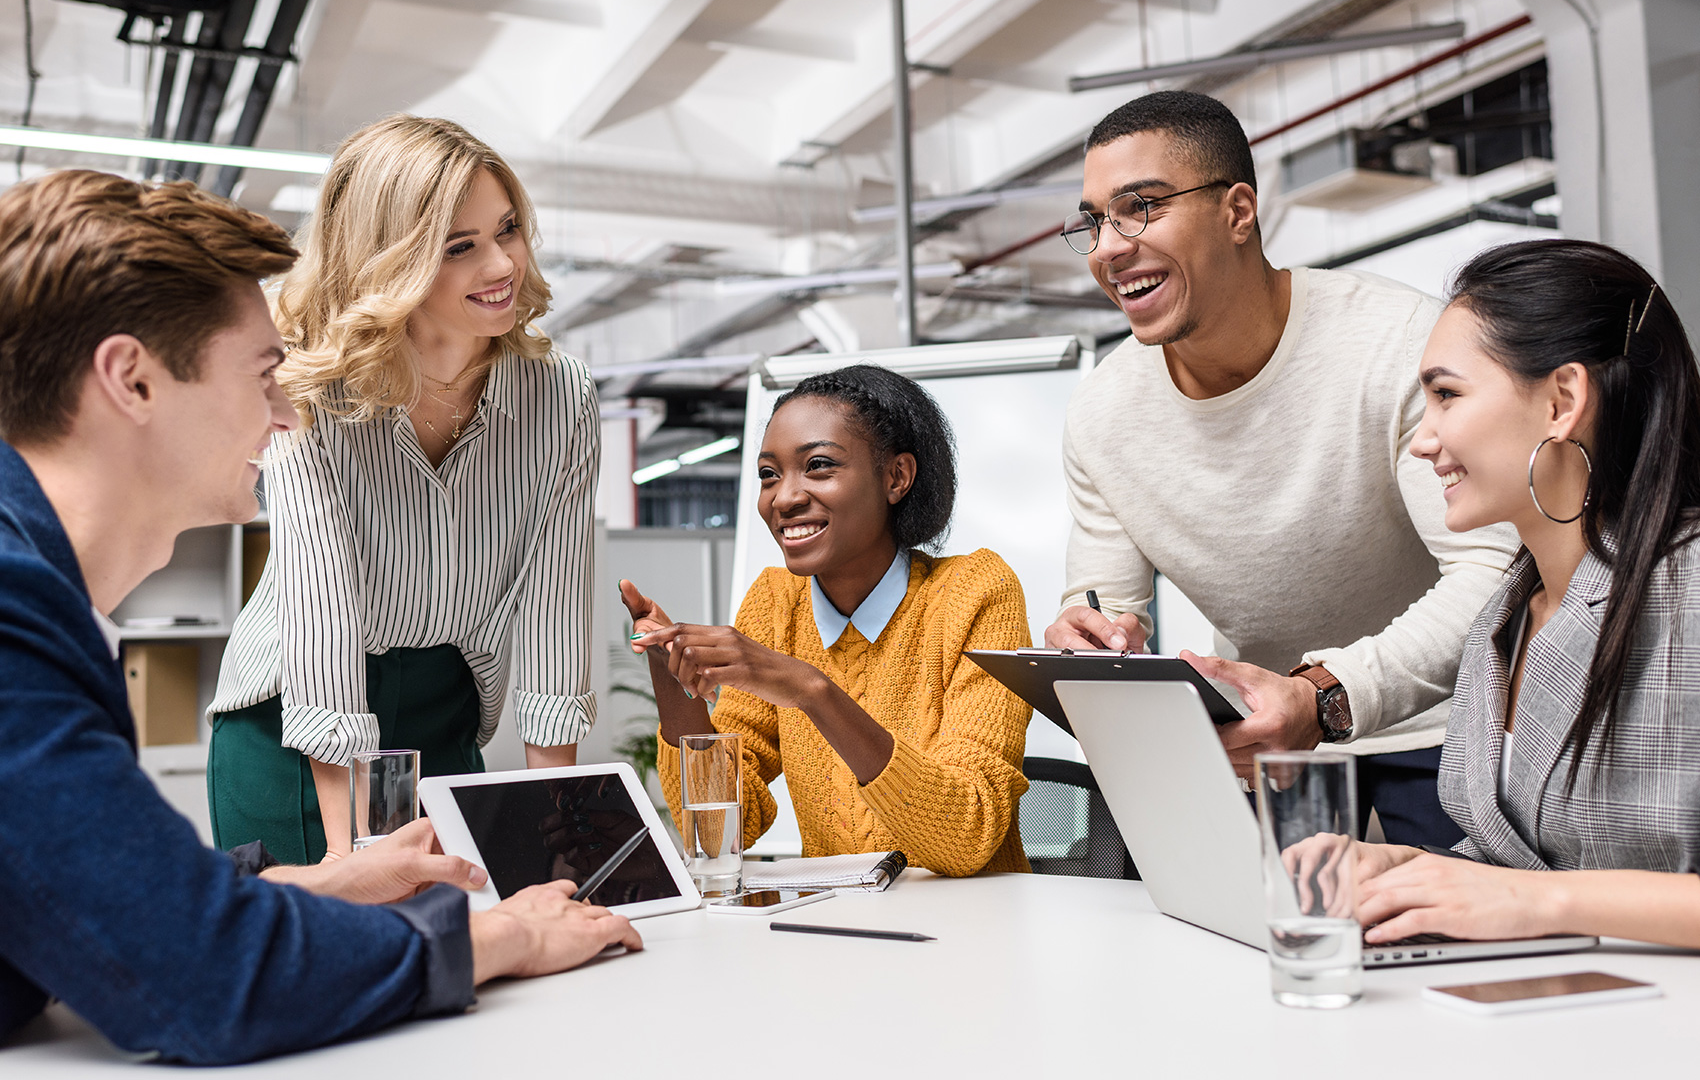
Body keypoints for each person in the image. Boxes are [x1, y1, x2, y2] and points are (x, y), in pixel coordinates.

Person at [0, 170, 640, 1064]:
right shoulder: (12, 614)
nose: (289, 411)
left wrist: (319, 882)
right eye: (264, 375)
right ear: (132, 381)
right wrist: (507, 939)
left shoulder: (34, 595)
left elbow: (68, 895)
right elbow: (200, 975)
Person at [1043, 90, 1516, 848]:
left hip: (1449, 724)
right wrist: (1091, 638)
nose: (1109, 245)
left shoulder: (1397, 339)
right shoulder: (1102, 409)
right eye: (1095, 221)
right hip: (1270, 740)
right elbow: (1104, 603)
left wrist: (1323, 691)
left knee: (1452, 954)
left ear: (1238, 212)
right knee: (1258, 952)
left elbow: (1490, 569)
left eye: (1142, 207)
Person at [210, 115, 600, 864]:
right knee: (342, 955)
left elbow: (556, 618)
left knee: (491, 948)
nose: (502, 264)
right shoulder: (311, 395)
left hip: (448, 707)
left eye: (508, 229)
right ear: (390, 261)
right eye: (460, 247)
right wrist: (357, 863)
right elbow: (323, 625)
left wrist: (569, 841)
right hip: (297, 728)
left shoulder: (562, 395)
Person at [1341, 240, 1700, 948]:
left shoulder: (1688, 586)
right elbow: (1524, 866)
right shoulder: (1504, 621)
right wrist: (1406, 870)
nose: (1424, 440)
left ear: (1562, 401)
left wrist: (1536, 899)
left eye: (1446, 395)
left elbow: (1539, 891)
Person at [620, 365, 1031, 876]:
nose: (785, 498)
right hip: (841, 928)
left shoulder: (977, 593)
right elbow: (721, 829)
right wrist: (669, 669)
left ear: (896, 477)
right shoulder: (775, 602)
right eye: (769, 474)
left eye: (817, 466)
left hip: (976, 935)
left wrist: (812, 690)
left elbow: (964, 838)